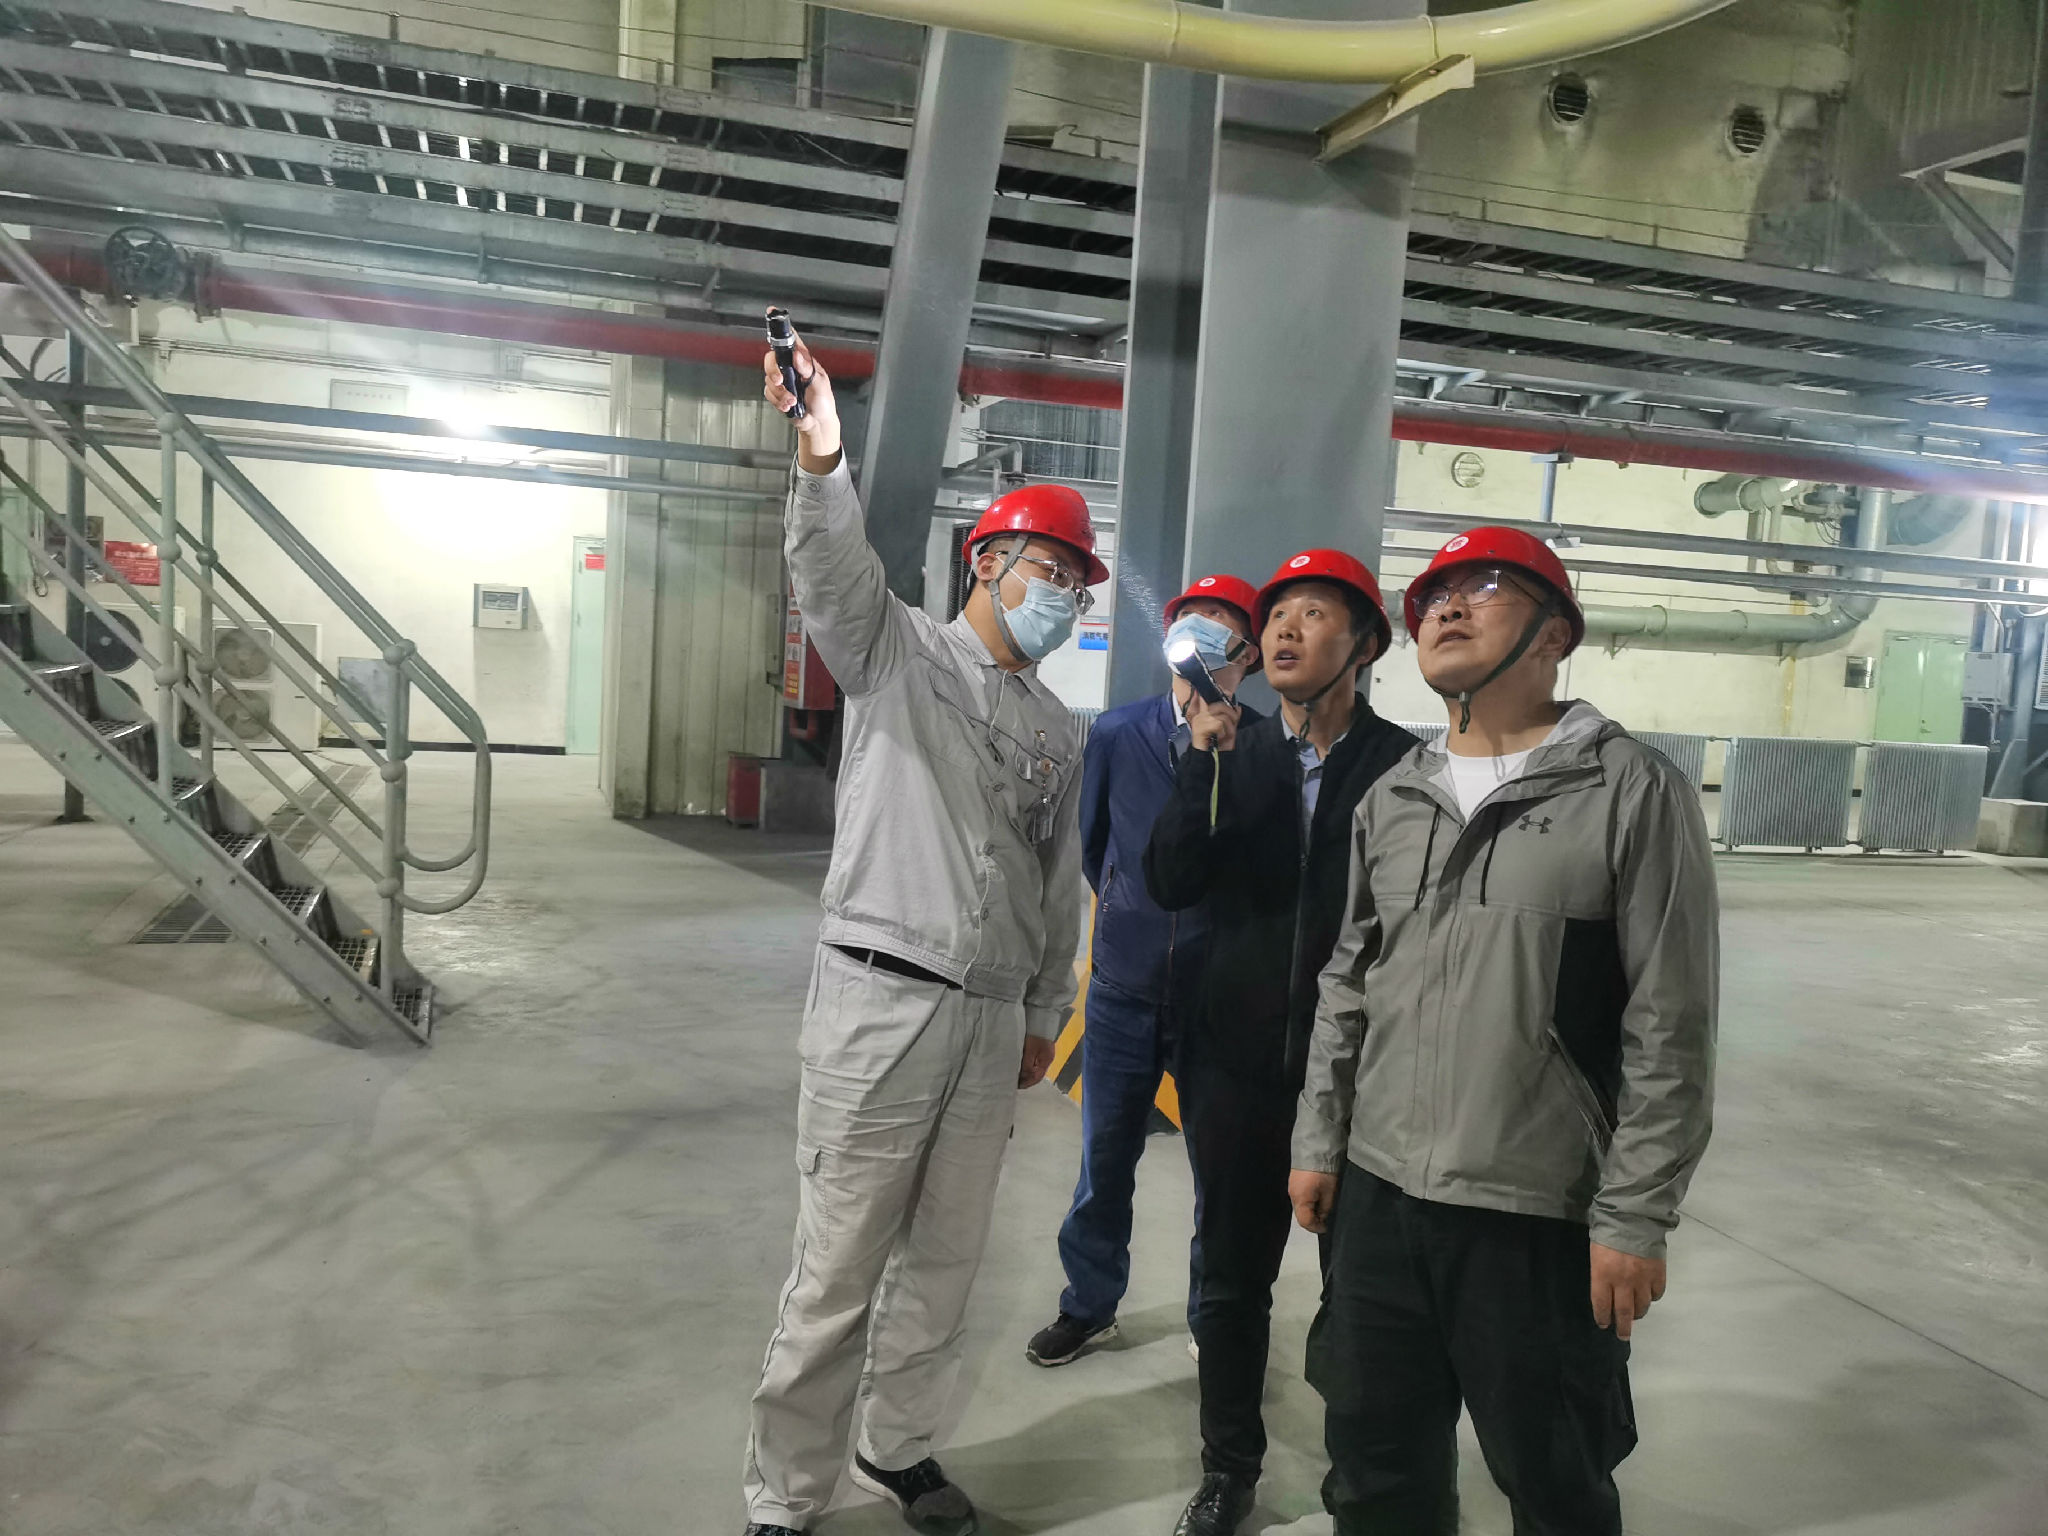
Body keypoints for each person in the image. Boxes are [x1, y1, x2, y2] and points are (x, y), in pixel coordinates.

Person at [743, 322, 1101, 1536]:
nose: (1062, 596)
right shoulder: (897, 652)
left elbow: (1055, 882)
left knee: (945, 1265)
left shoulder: (1056, 729)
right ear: (986, 563)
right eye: (1046, 570)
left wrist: (1041, 1012)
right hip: (881, 998)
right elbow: (831, 569)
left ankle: (897, 1451)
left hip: (988, 1021)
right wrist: (820, 453)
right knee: (837, 1269)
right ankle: (785, 1495)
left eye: (1076, 584)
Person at [1289, 526, 1719, 1536]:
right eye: (1434, 594)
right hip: (1380, 1198)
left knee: (1555, 1483)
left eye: (1484, 587)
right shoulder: (1394, 796)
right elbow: (1348, 981)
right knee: (1374, 1473)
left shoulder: (1628, 790)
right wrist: (1319, 1139)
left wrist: (1634, 1214)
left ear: (1553, 634)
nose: (1446, 606)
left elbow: (1671, 1020)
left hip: (1535, 1210)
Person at [1144, 550, 1418, 1536]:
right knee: (1229, 1278)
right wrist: (1200, 761)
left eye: (1315, 612)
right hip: (1235, 1063)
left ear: (1367, 643)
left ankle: (1365, 1476)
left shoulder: (1406, 769)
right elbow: (1170, 881)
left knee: (1364, 1289)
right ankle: (1228, 1470)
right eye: (1278, 617)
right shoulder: (1234, 750)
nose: (1287, 630)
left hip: (1364, 1074)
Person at [1025, 575, 1264, 1370]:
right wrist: (1131, 911)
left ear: (1247, 654)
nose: (1203, 634)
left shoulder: (1261, 748)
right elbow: (1093, 847)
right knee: (1104, 1163)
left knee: (1218, 1177)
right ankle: (1087, 1305)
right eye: (1191, 620)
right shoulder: (1119, 734)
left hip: (1217, 1002)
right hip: (1123, 991)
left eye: (1223, 624)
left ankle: (1212, 1316)